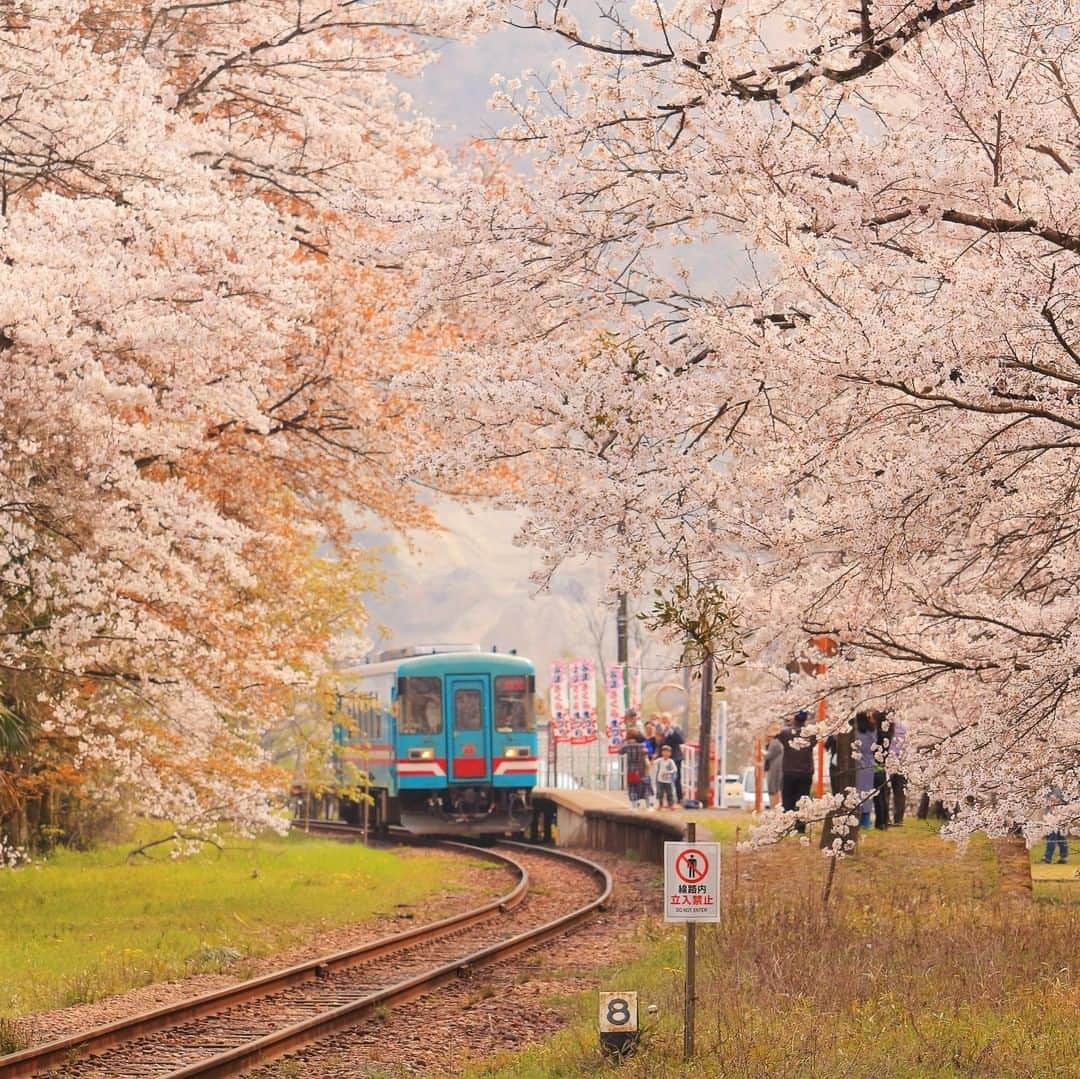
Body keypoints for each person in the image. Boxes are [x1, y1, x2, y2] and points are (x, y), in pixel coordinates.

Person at [777, 710, 816, 833]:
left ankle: (787, 826)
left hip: (789, 771)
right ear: (805, 719)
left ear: (794, 718)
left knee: (788, 799)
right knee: (803, 800)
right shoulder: (811, 734)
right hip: (806, 772)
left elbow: (775, 733)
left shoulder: (785, 733)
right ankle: (800, 827)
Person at [854, 711, 877, 828]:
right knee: (868, 794)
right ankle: (866, 822)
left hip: (857, 764)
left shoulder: (855, 733)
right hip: (869, 765)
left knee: (857, 793)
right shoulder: (873, 731)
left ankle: (856, 820)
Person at [619, 731, 649, 810]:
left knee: (632, 786)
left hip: (631, 770)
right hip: (641, 769)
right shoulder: (642, 746)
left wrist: (624, 742)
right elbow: (648, 751)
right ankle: (648, 805)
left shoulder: (627, 746)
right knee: (643, 786)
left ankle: (634, 805)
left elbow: (620, 752)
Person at [660, 713, 685, 803]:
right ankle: (668, 798)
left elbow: (681, 740)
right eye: (663, 719)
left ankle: (679, 798)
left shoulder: (676, 728)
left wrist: (671, 731)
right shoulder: (661, 730)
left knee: (676, 777)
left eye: (666, 719)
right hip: (664, 758)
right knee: (664, 778)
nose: (664, 721)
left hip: (676, 757)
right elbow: (660, 743)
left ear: (670, 719)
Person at [1042, 786, 1069, 865]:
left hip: (1058, 816)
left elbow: (1062, 800)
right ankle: (1064, 857)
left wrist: (1054, 800)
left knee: (1052, 837)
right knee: (1061, 837)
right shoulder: (1047, 787)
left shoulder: (1058, 788)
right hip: (1052, 816)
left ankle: (1047, 858)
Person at [763, 729, 784, 808]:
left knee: (774, 788)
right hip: (773, 768)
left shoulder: (774, 743)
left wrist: (762, 753)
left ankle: (775, 806)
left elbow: (769, 755)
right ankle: (775, 806)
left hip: (774, 769)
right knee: (774, 788)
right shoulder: (775, 743)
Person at [655, 744, 678, 809]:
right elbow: (653, 764)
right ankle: (660, 804)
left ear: (670, 753)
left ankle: (671, 804)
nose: (666, 753)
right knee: (660, 793)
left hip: (668, 780)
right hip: (660, 779)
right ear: (662, 752)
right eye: (664, 751)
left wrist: (669, 773)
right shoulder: (659, 760)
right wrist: (653, 757)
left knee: (669, 793)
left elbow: (675, 769)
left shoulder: (671, 761)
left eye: (667, 752)